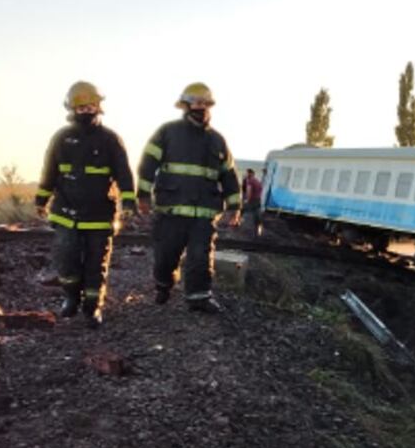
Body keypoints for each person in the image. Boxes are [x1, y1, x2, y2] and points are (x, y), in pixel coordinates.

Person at [35, 81, 136, 328]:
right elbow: (50, 171)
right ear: (72, 109)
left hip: (100, 214)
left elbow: (123, 173)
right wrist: (41, 199)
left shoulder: (111, 140)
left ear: (99, 107)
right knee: (66, 258)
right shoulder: (62, 138)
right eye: (81, 107)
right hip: (66, 212)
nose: (86, 110)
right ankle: (70, 298)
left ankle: (93, 307)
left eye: (91, 105)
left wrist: (129, 202)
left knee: (95, 263)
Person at [137, 82, 241, 313]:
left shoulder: (217, 140)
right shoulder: (167, 132)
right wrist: (143, 195)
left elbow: (229, 175)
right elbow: (147, 164)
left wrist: (235, 206)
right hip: (171, 212)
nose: (200, 107)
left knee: (200, 257)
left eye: (205, 103)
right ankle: (163, 286)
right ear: (185, 105)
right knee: (165, 258)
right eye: (196, 102)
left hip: (203, 213)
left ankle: (199, 298)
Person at [241, 168, 263, 236]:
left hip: (252, 200)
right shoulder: (257, 181)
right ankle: (258, 230)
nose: (246, 174)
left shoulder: (250, 181)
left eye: (247, 173)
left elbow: (248, 191)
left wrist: (247, 200)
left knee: (241, 210)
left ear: (250, 174)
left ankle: (237, 221)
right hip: (258, 200)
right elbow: (260, 190)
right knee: (257, 215)